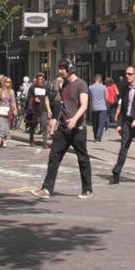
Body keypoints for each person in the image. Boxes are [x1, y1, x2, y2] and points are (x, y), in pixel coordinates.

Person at [31, 58, 93, 199]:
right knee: (54, 156)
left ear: (70, 69)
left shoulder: (81, 84)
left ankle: (87, 189)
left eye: (62, 69)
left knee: (82, 158)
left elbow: (84, 105)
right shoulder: (63, 84)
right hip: (63, 128)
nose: (60, 71)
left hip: (78, 128)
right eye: (59, 68)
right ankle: (47, 189)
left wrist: (75, 119)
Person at [25, 72, 53, 148]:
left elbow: (47, 99)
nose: (40, 80)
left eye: (42, 79)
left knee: (44, 126)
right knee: (33, 125)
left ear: (43, 80)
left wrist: (49, 110)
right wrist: (34, 99)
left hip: (43, 109)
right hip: (34, 110)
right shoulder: (32, 87)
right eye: (39, 79)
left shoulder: (45, 88)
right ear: (36, 79)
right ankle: (31, 141)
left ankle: (45, 143)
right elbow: (29, 98)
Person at [0, 76, 17, 147]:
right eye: (7, 82)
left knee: (6, 126)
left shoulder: (11, 91)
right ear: (4, 82)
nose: (8, 83)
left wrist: (15, 109)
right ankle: (3, 140)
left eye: (10, 82)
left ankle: (4, 140)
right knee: (2, 126)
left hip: (8, 110)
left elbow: (13, 102)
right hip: (1, 110)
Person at [88, 73, 110, 142]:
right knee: (101, 123)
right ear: (100, 80)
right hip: (102, 107)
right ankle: (98, 137)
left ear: (95, 79)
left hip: (94, 107)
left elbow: (89, 96)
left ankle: (95, 136)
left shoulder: (90, 87)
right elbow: (107, 97)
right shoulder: (104, 87)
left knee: (95, 123)